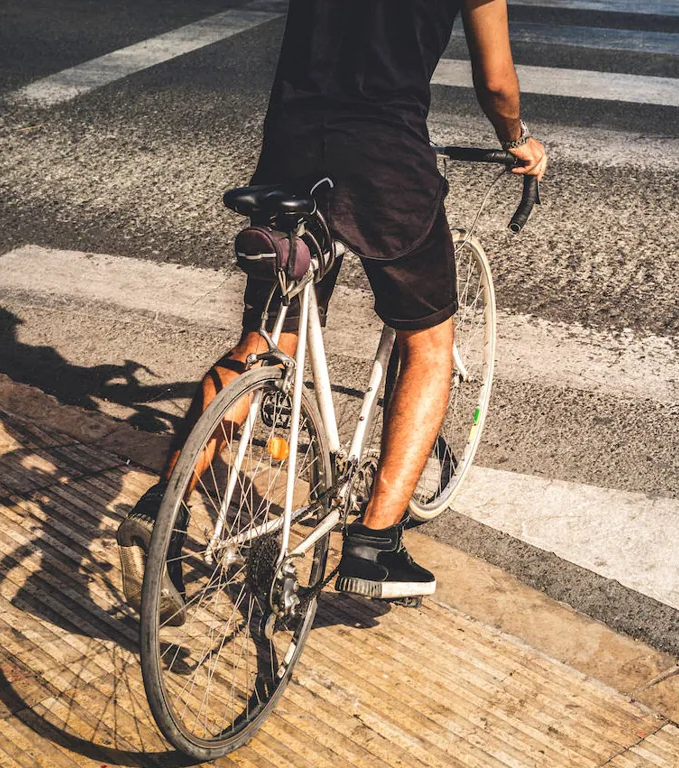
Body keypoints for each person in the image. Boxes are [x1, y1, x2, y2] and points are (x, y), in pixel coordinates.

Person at [117, 0, 547, 616]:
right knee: (427, 344)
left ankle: (163, 506)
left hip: (292, 146)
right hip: (382, 156)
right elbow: (497, 81)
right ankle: (372, 546)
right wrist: (518, 141)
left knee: (268, 339)